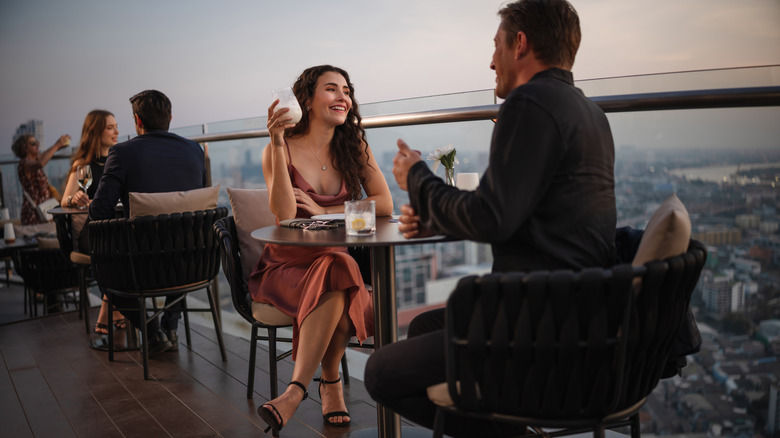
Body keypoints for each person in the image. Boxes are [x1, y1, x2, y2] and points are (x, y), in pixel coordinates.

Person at [364, 1, 617, 436]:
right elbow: (522, 213)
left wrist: (417, 177)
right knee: (425, 325)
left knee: (381, 373)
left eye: (496, 45)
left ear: (520, 44)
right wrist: (439, 218)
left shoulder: (531, 102)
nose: (491, 60)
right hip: (581, 313)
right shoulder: (589, 112)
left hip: (536, 328)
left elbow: (492, 218)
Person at [251, 65, 392, 433]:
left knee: (338, 268)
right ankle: (328, 384)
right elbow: (283, 215)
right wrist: (278, 142)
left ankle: (295, 393)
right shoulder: (276, 150)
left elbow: (385, 204)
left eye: (346, 90)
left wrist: (325, 210)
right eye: (331, 89)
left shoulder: (354, 146)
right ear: (308, 101)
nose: (343, 97)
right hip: (285, 268)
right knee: (342, 270)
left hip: (335, 264)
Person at [89, 90, 207, 354]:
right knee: (180, 241)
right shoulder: (195, 150)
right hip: (195, 262)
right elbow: (197, 206)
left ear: (138, 121)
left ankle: (153, 333)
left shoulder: (121, 153)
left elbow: (99, 211)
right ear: (170, 117)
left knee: (103, 267)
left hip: (143, 267)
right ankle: (171, 326)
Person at [61, 109, 123, 335]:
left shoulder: (119, 160)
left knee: (120, 248)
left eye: (116, 126)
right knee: (116, 251)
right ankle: (116, 311)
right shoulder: (83, 165)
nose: (116, 131)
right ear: (96, 132)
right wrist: (74, 197)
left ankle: (108, 311)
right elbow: (64, 201)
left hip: (114, 229)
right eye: (110, 127)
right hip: (93, 231)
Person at [12, 133, 70, 225]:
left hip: (42, 210)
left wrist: (59, 146)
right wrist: (57, 145)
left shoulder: (34, 160)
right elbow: (40, 163)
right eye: (33, 143)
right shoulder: (25, 163)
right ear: (25, 148)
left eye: (37, 142)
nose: (37, 145)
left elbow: (44, 155)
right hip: (34, 213)